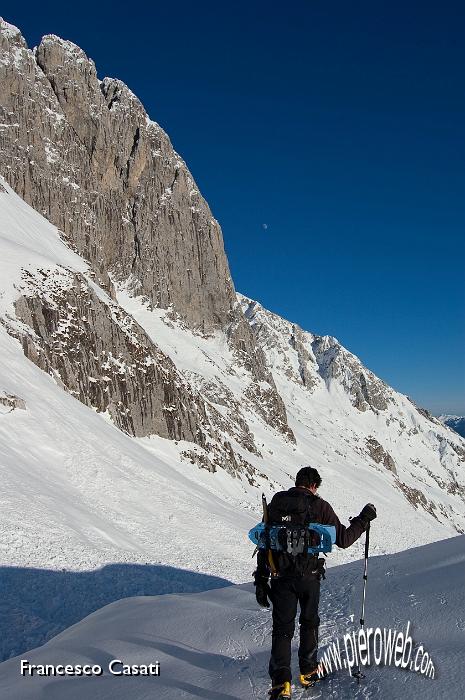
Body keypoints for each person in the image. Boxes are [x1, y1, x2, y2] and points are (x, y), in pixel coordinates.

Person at [253, 466, 377, 699]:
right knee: (309, 623)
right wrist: (363, 520)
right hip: (309, 577)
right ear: (314, 486)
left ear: (297, 481)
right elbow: (343, 539)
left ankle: (281, 684)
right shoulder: (320, 506)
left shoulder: (276, 503)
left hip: (280, 577)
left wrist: (261, 579)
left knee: (282, 630)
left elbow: (264, 541)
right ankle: (308, 671)